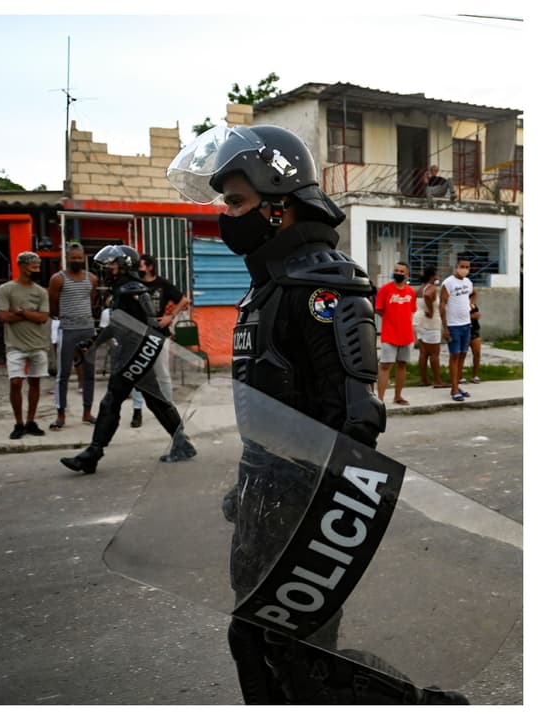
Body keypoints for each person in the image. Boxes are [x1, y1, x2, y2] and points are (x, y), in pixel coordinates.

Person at [167, 124, 464, 704]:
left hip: (307, 507)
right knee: (251, 643)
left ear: (280, 206)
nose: (227, 217)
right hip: (263, 496)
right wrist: (248, 490)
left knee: (305, 663)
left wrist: (321, 517)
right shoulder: (266, 287)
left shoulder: (324, 287)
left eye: (237, 202)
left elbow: (358, 416)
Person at [58, 244, 196, 474]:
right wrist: (95, 342)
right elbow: (119, 324)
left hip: (134, 355)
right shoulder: (124, 288)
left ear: (123, 265)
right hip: (133, 354)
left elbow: (145, 322)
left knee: (111, 402)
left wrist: (101, 343)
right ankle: (183, 443)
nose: (108, 267)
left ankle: (93, 454)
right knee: (155, 401)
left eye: (112, 263)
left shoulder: (130, 289)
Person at [128, 253, 191, 428]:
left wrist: (170, 316)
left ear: (149, 267)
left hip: (159, 333)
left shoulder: (162, 284)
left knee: (163, 373)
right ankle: (137, 410)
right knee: (138, 373)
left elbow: (184, 300)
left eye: (141, 266)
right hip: (139, 333)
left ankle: (169, 408)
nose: (138, 269)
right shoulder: (134, 284)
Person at [0, 250, 51, 439]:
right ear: (21, 267)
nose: (37, 270)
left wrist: (21, 313)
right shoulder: (6, 289)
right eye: (33, 267)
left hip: (38, 344)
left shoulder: (41, 292)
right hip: (14, 345)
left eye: (38, 267)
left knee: (35, 382)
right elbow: (3, 316)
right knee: (15, 382)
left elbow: (43, 318)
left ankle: (30, 421)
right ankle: (18, 423)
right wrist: (31, 314)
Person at [48, 242, 98, 429]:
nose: (76, 260)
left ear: (84, 258)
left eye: (79, 257)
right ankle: (60, 415)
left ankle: (87, 413)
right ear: (67, 258)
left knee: (89, 373)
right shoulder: (57, 279)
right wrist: (65, 317)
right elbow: (53, 305)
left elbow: (91, 300)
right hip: (67, 330)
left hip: (88, 329)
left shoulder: (92, 278)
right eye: (73, 258)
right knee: (63, 374)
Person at [374, 261, 417, 405]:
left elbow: (411, 311)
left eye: (401, 271)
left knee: (402, 365)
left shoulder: (411, 292)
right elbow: (379, 309)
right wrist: (391, 320)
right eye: (396, 270)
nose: (398, 273)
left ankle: (398, 396)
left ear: (407, 274)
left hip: (406, 335)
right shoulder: (385, 290)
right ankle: (379, 400)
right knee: (385, 365)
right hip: (389, 334)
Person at [439, 257, 475, 401]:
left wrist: (471, 304)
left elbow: (474, 294)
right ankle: (454, 389)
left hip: (466, 324)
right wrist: (445, 327)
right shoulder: (448, 283)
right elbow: (442, 304)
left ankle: (457, 384)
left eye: (467, 267)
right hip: (453, 325)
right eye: (462, 266)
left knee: (463, 355)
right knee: (454, 355)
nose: (464, 269)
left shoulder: (468, 282)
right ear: (456, 266)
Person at [414, 267, 448, 388]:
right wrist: (431, 311)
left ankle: (424, 379)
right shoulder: (431, 288)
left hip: (419, 321)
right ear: (433, 276)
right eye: (437, 274)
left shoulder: (420, 288)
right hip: (431, 323)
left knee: (423, 352)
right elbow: (428, 296)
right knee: (434, 353)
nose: (438, 277)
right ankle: (437, 381)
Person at [469, 302, 483, 383]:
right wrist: (471, 316)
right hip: (464, 329)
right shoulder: (458, 300)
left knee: (477, 352)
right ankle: (459, 376)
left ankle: (475, 375)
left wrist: (477, 315)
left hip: (474, 329)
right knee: (461, 354)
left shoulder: (473, 302)